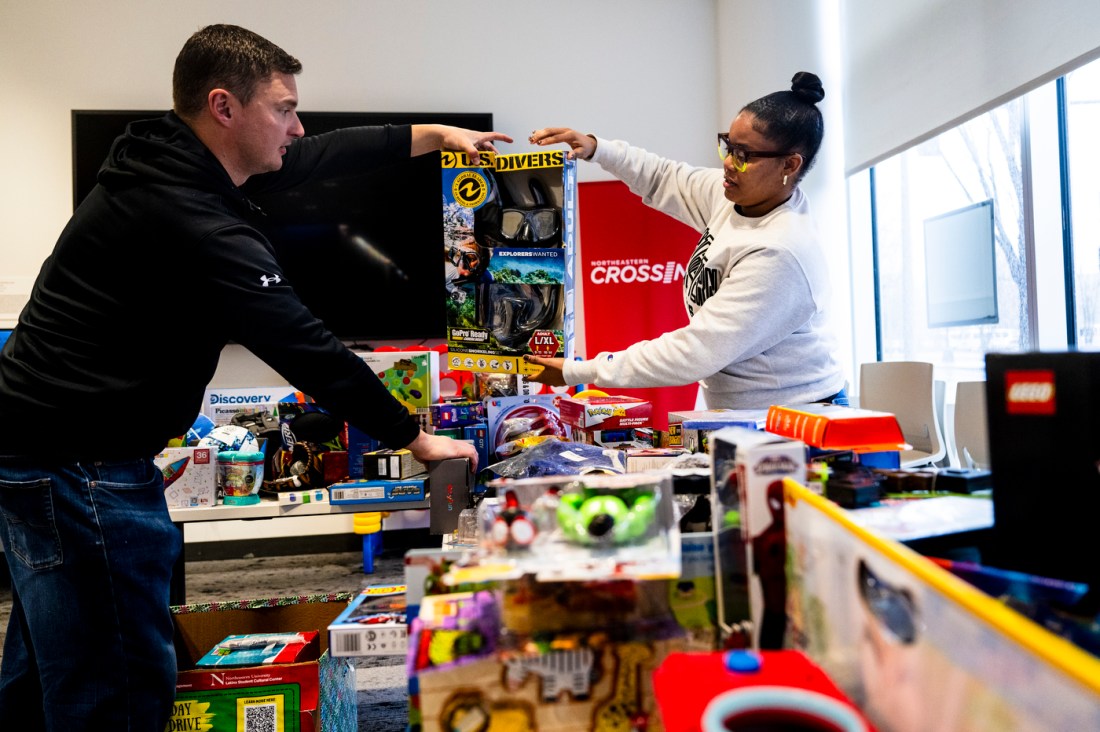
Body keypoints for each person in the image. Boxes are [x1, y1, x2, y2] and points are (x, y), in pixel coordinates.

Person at [0, 24, 508, 730]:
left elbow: (322, 153)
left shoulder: (165, 158)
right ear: (224, 107)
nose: (298, 127)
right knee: (112, 683)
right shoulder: (195, 219)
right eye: (283, 109)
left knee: (48, 671)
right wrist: (412, 436)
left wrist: (434, 134)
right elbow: (303, 343)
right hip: (84, 469)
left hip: (42, 453)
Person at [525, 72, 846, 409]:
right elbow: (663, 176)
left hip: (794, 416)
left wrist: (579, 372)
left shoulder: (779, 251)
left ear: (790, 164)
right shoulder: (734, 197)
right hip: (745, 412)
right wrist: (597, 148)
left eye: (744, 155)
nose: (727, 163)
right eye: (727, 146)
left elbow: (695, 352)